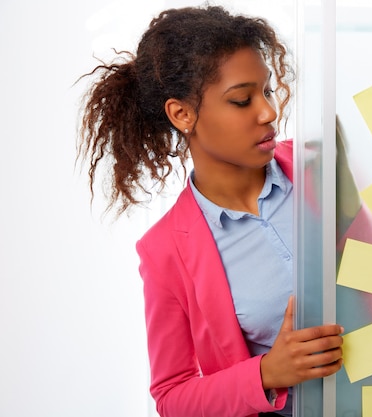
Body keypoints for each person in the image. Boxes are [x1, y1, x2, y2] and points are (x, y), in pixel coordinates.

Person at [76, 4, 344, 417]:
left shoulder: (320, 168)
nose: (269, 113)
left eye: (268, 91)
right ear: (182, 114)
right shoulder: (166, 249)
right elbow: (171, 397)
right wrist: (267, 373)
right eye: (241, 100)